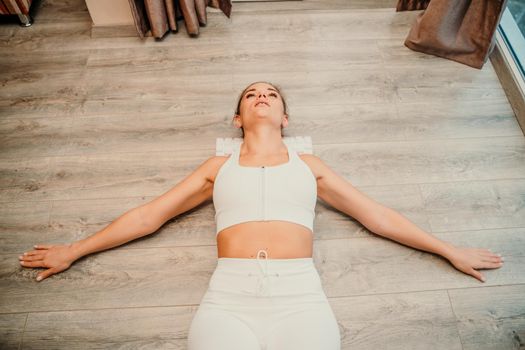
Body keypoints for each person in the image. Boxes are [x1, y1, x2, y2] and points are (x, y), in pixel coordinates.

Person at [18, 81, 505, 350]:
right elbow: (150, 215)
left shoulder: (309, 164)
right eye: (251, 95)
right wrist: (74, 249)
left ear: (286, 118)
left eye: (271, 94)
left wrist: (448, 249)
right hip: (228, 299)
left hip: (301, 298)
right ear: (238, 118)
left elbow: (376, 215)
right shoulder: (217, 165)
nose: (261, 97)